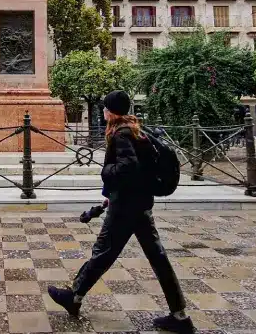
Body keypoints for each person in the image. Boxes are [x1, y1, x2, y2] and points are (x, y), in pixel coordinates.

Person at [48, 90, 195, 333]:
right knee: (157, 258)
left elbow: (128, 167)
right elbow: (140, 170)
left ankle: (74, 296)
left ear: (111, 111)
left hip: (126, 207)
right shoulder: (136, 130)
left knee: (103, 252)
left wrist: (106, 172)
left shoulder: (121, 133)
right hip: (140, 204)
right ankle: (180, 316)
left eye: (106, 108)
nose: (104, 111)